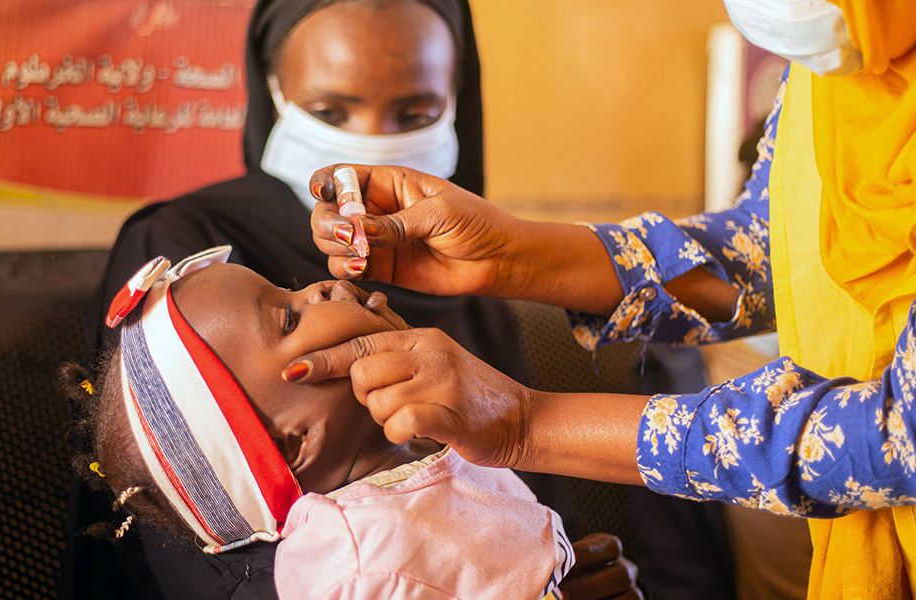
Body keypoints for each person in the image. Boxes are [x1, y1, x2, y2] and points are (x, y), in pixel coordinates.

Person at [294, 1, 916, 597]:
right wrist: (513, 255)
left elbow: (900, 435)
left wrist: (528, 423)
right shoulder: (837, 52)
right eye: (284, 311)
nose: (325, 291)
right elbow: (779, 248)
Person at [77, 1, 636, 598]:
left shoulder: (478, 291)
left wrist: (564, 572)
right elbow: (194, 541)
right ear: (274, 93)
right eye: (330, 111)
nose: (371, 144)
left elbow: (535, 499)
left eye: (416, 112)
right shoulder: (193, 265)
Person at [70, 246, 578, 599]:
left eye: (288, 291)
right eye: (290, 317)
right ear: (293, 444)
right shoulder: (357, 567)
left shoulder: (441, 447)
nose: (318, 289)